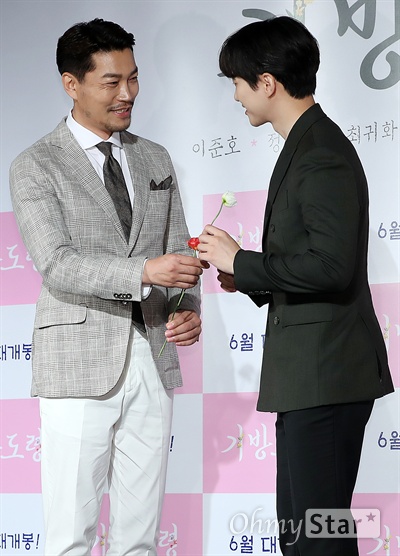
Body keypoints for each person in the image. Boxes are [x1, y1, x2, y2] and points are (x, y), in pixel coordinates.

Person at [198, 16, 394, 556]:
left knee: (319, 538)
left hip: (327, 376)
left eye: (238, 82)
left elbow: (332, 266)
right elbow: (312, 262)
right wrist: (245, 275)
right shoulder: (306, 144)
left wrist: (245, 260)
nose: (235, 96)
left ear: (267, 83)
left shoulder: (320, 152)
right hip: (311, 379)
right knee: (303, 537)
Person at [10, 18, 203, 556]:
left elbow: (179, 250)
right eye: (111, 82)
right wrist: (143, 273)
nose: (127, 94)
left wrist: (186, 306)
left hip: (153, 355)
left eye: (133, 78)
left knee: (139, 537)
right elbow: (58, 264)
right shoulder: (35, 165)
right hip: (77, 362)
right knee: (69, 536)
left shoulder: (155, 157)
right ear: (72, 84)